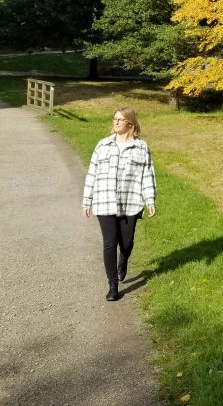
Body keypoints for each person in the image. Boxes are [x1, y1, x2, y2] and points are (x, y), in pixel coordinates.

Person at [81, 106, 157, 301]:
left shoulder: (141, 148)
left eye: (120, 120)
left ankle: (124, 260)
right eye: (114, 119)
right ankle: (113, 285)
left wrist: (149, 200)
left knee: (126, 243)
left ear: (130, 124)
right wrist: (86, 200)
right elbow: (92, 174)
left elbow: (147, 175)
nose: (115, 122)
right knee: (109, 242)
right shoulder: (103, 145)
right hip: (104, 200)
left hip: (130, 202)